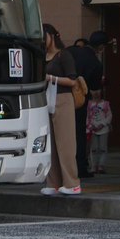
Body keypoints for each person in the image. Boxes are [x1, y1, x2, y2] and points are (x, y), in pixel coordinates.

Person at [41, 23, 82, 196]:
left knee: (65, 143)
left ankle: (72, 183)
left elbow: (73, 80)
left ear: (52, 35)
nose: (43, 40)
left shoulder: (63, 55)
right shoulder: (43, 56)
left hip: (63, 98)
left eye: (44, 36)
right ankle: (54, 183)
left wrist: (51, 78)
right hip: (47, 99)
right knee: (51, 145)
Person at [65, 30, 108, 179]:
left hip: (61, 96)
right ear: (101, 47)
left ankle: (62, 166)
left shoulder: (71, 51)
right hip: (79, 101)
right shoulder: (96, 63)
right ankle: (80, 166)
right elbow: (95, 86)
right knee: (79, 133)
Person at [87, 90, 112, 174]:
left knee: (103, 148)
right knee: (93, 149)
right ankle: (93, 166)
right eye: (93, 91)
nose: (96, 93)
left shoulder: (105, 104)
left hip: (103, 129)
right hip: (92, 129)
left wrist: (103, 124)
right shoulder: (89, 104)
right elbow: (87, 116)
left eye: (98, 90)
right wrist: (90, 126)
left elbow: (109, 115)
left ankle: (101, 165)